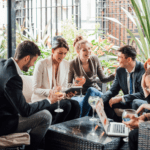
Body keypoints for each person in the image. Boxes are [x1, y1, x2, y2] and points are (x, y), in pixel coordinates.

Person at [0, 40, 64, 150]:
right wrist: (49, 100)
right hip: (4, 123)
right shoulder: (13, 78)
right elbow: (25, 111)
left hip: (6, 112)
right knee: (45, 116)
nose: (32, 64)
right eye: (33, 61)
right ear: (26, 58)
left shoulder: (3, 64)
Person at [31, 36, 80, 124]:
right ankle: (53, 130)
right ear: (53, 51)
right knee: (66, 105)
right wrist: (51, 91)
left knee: (75, 104)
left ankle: (68, 132)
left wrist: (68, 93)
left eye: (65, 53)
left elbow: (63, 87)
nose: (63, 56)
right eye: (60, 53)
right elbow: (35, 89)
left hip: (57, 100)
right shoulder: (41, 64)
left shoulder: (66, 64)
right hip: (43, 100)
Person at [68, 35, 115, 117]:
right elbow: (68, 84)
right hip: (80, 94)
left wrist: (114, 75)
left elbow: (103, 79)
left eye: (89, 49)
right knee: (85, 100)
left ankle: (81, 118)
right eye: (84, 50)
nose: (88, 52)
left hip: (95, 92)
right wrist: (75, 85)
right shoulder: (72, 64)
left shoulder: (95, 59)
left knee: (91, 90)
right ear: (78, 52)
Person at [101, 45, 145, 121]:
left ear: (129, 59)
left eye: (119, 57)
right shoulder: (120, 71)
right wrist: (102, 99)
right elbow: (113, 90)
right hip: (127, 103)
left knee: (135, 102)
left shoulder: (143, 70)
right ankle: (115, 124)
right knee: (106, 101)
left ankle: (132, 125)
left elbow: (143, 94)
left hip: (140, 103)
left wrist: (122, 98)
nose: (117, 59)